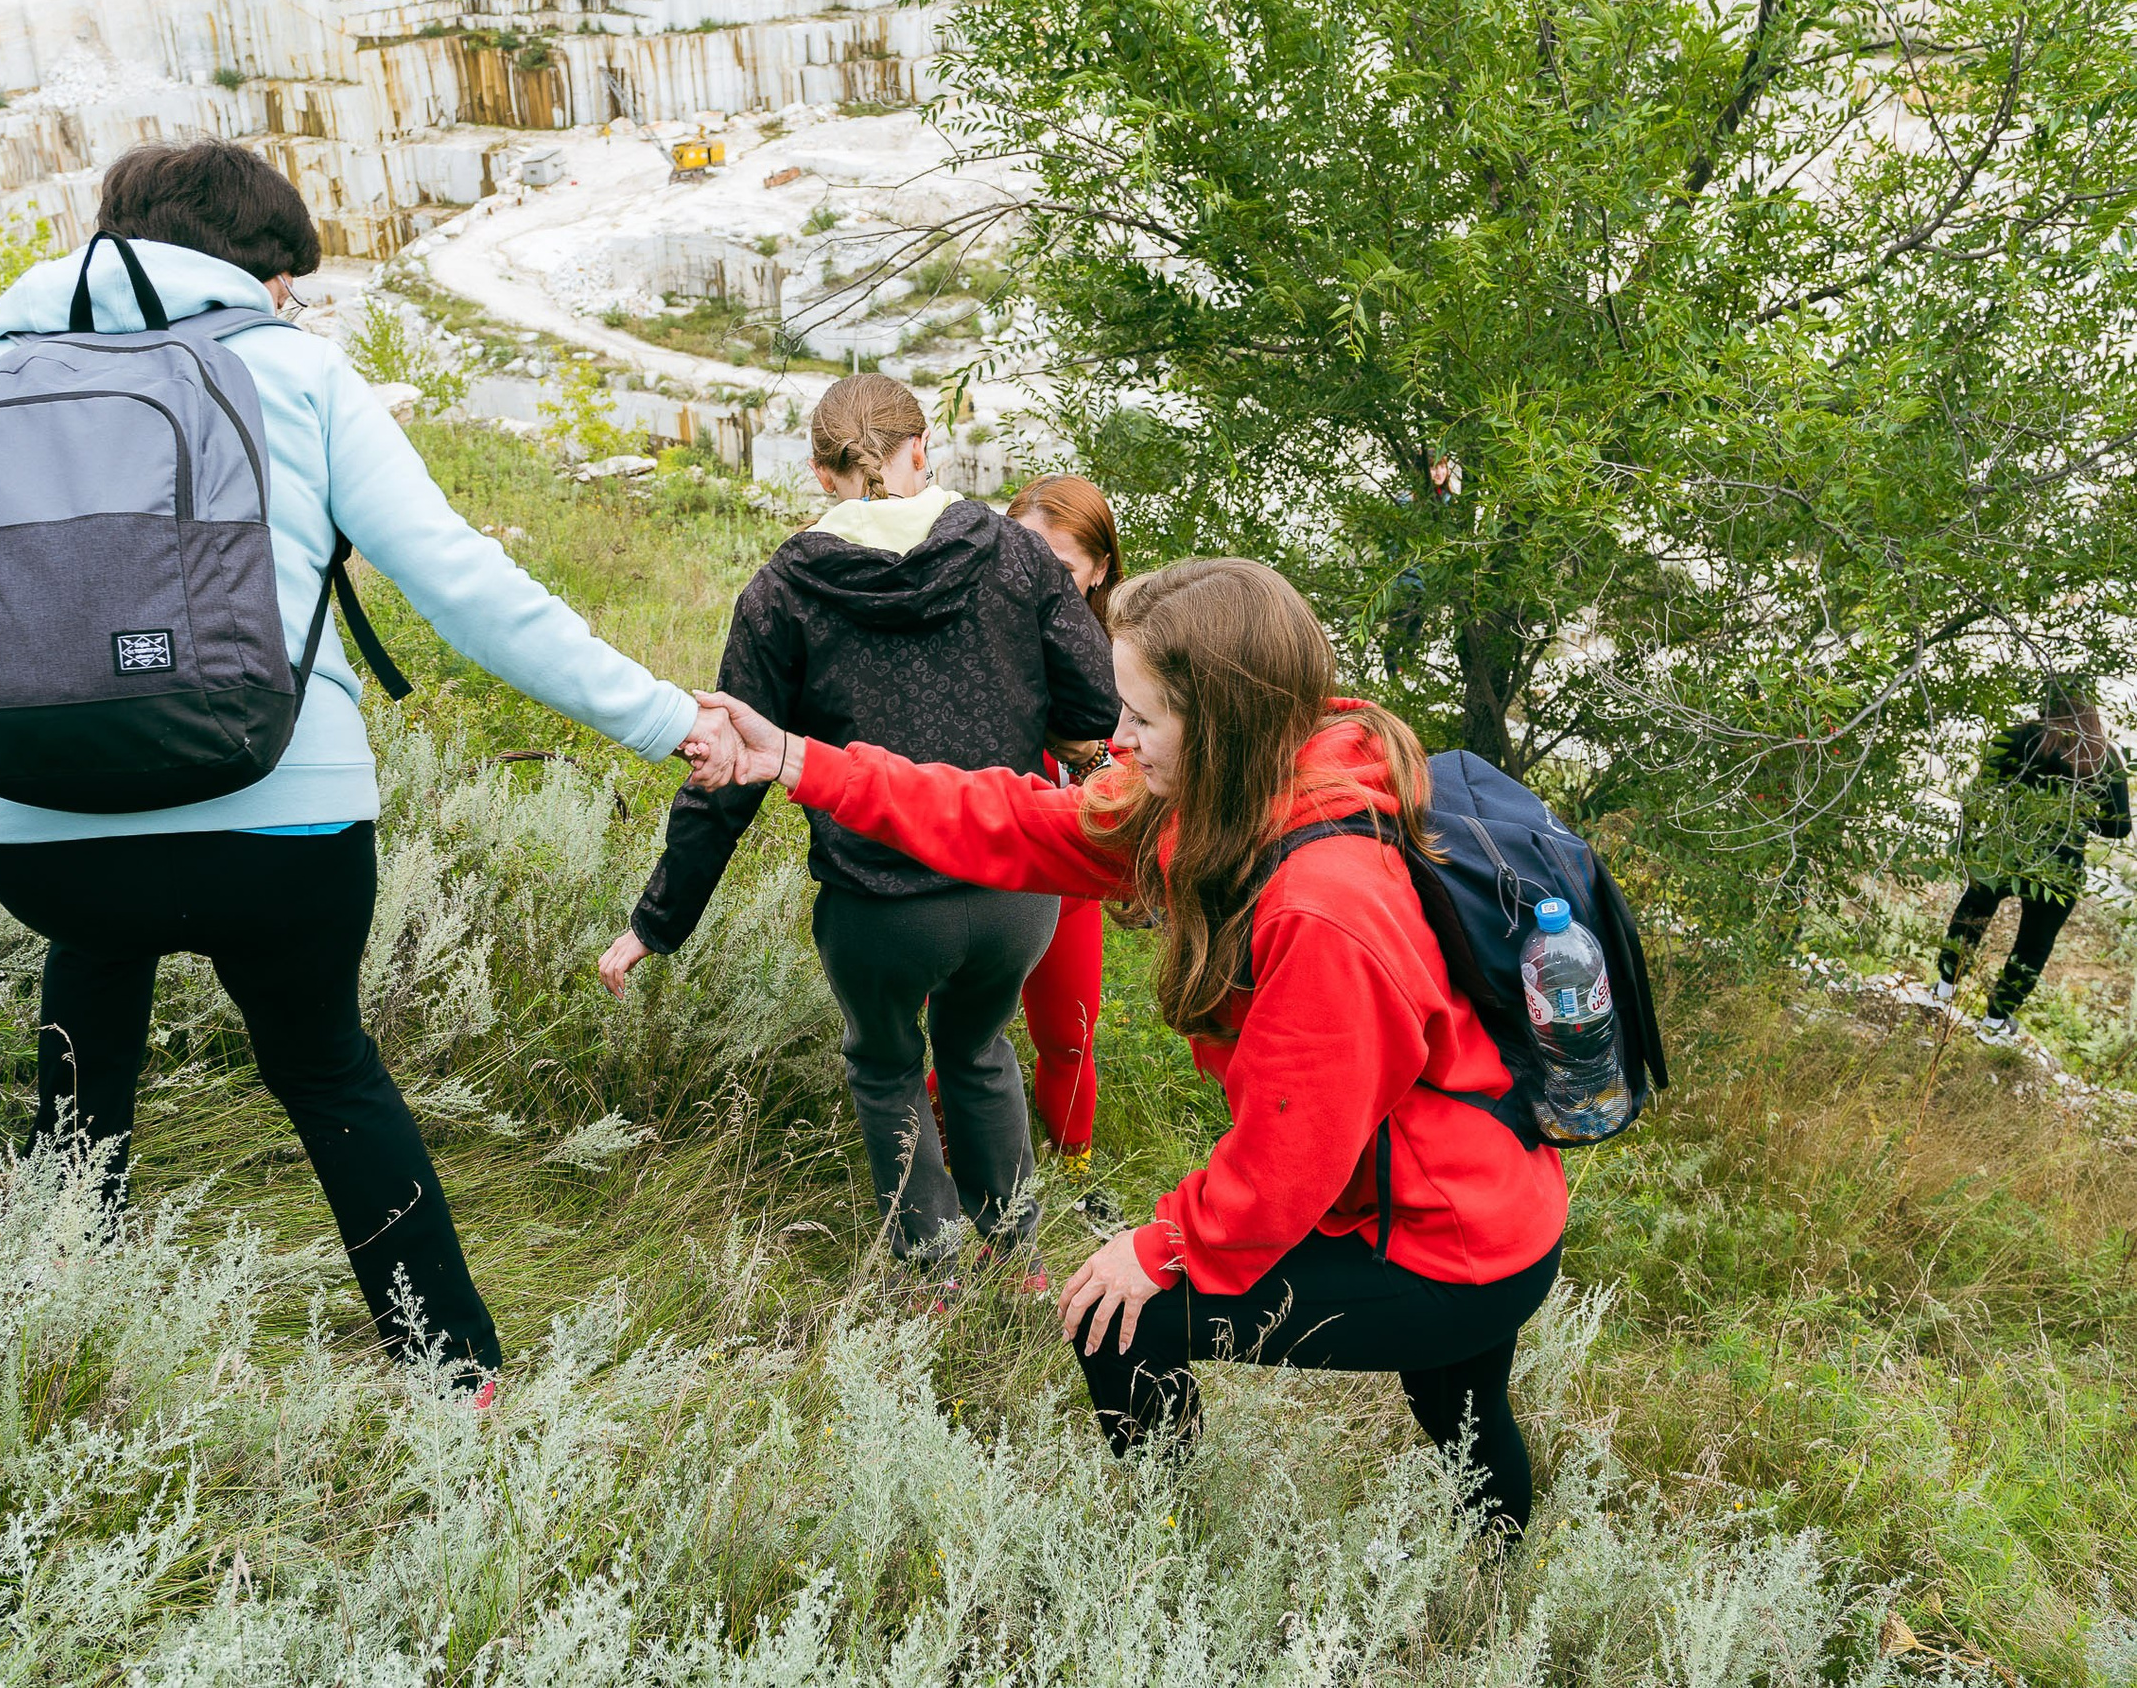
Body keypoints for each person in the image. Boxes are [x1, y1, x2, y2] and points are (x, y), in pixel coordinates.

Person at [0, 139, 739, 1393]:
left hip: (38, 836)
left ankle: (55, 1302)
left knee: (91, 968)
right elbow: (462, 585)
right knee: (322, 1065)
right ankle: (453, 1377)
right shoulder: (297, 373)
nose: (293, 303)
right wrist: (657, 717)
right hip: (281, 828)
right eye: (287, 278)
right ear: (248, 262)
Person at [702, 559, 1566, 1535]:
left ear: (1224, 718)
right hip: (1476, 1196)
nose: (1115, 738)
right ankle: (1490, 1582)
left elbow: (1291, 1153)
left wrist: (1165, 1244)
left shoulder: (1326, 905)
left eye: (1143, 718)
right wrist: (800, 761)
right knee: (1457, 1406)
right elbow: (1009, 820)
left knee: (1117, 1314)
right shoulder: (1220, 793)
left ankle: (1161, 1553)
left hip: (1450, 1245)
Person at [599, 375, 1120, 1291]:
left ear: (818, 469)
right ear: (925, 447)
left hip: (879, 904)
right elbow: (1094, 702)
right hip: (1014, 887)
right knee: (980, 1047)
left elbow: (730, 772)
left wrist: (656, 922)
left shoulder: (783, 588)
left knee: (888, 1068)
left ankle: (935, 1283)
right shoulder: (1018, 555)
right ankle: (1021, 1262)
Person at [923, 475, 1121, 1172]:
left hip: (1070, 876)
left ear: (1098, 571)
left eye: (1060, 567)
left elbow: (1137, 777)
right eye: (1021, 555)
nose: (1036, 579)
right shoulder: (967, 637)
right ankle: (946, 1164)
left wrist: (1093, 751)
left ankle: (1074, 1165)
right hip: (991, 870)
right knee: (967, 1034)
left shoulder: (1126, 656)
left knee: (1069, 1032)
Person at [1935, 687, 2130, 1040]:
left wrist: (1968, 846)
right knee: (2034, 944)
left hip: (2004, 851)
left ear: (2045, 703)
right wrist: (2081, 817)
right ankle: (1994, 1022)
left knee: (1972, 916)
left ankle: (1943, 992)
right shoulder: (2105, 757)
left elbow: (1976, 794)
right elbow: (2119, 828)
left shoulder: (2017, 737)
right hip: (2060, 868)